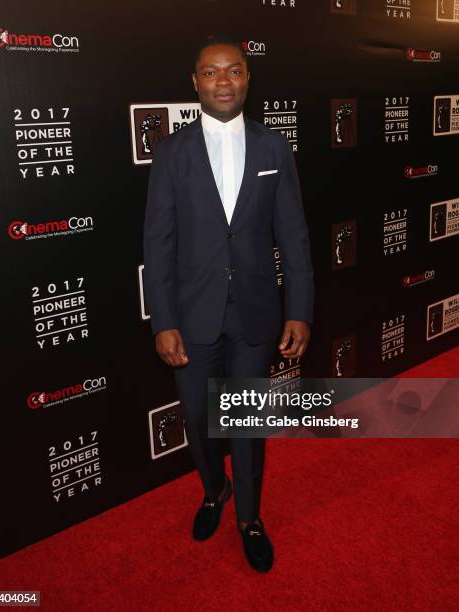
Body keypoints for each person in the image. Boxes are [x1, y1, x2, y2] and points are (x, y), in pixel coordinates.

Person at [143, 34, 314, 573]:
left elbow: (294, 235)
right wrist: (163, 320)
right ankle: (215, 491)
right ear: (195, 83)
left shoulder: (274, 147)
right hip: (192, 316)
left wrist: (300, 309)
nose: (223, 80)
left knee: (246, 422)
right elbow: (158, 243)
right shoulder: (171, 153)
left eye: (234, 70)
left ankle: (249, 518)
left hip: (256, 316)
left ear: (247, 78)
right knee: (198, 421)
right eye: (211, 72)